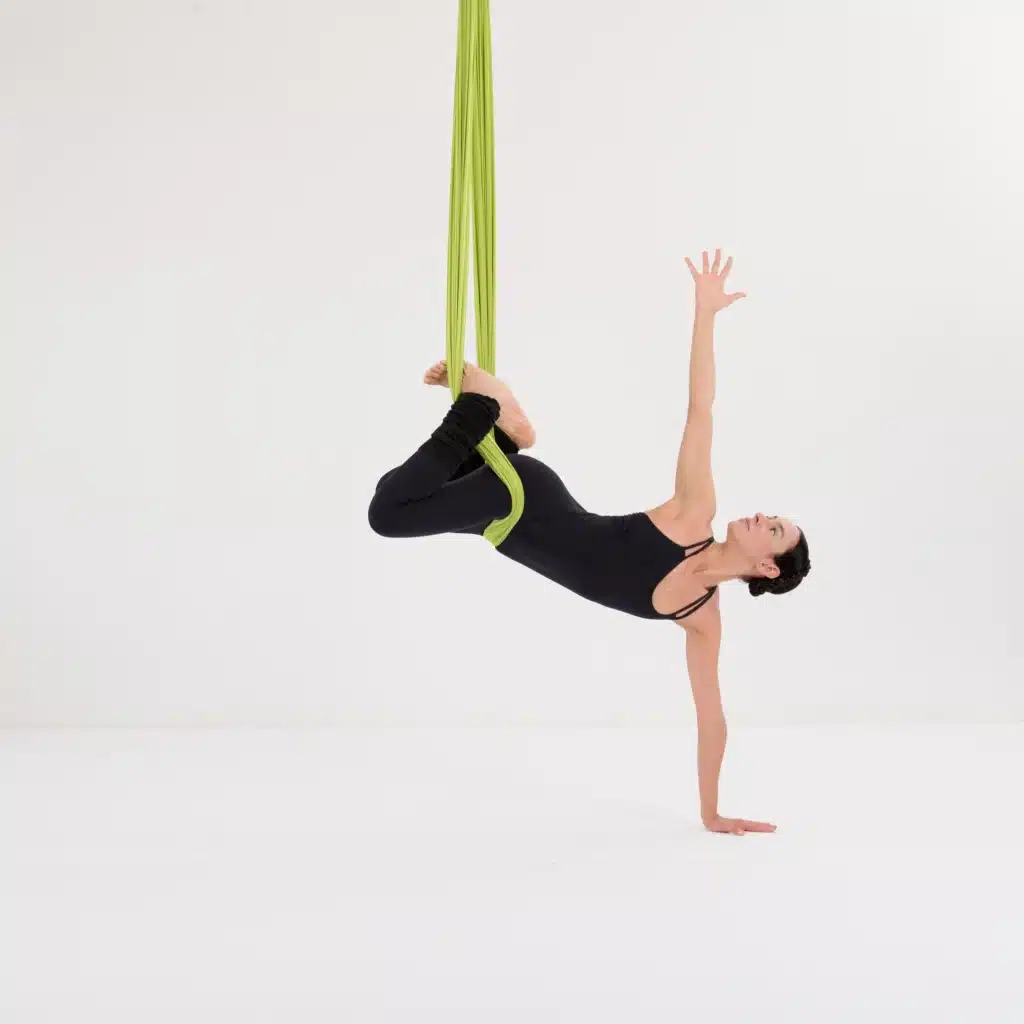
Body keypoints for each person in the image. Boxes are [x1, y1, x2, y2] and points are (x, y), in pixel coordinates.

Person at [368, 249, 810, 835]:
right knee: (388, 513)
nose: (762, 517)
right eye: (772, 516)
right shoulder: (694, 513)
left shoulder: (702, 618)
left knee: (408, 496)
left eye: (773, 529)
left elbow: (712, 719)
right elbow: (700, 409)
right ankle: (483, 405)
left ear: (767, 568)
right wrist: (705, 314)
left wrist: (712, 811)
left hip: (500, 530)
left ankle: (506, 431)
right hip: (525, 498)